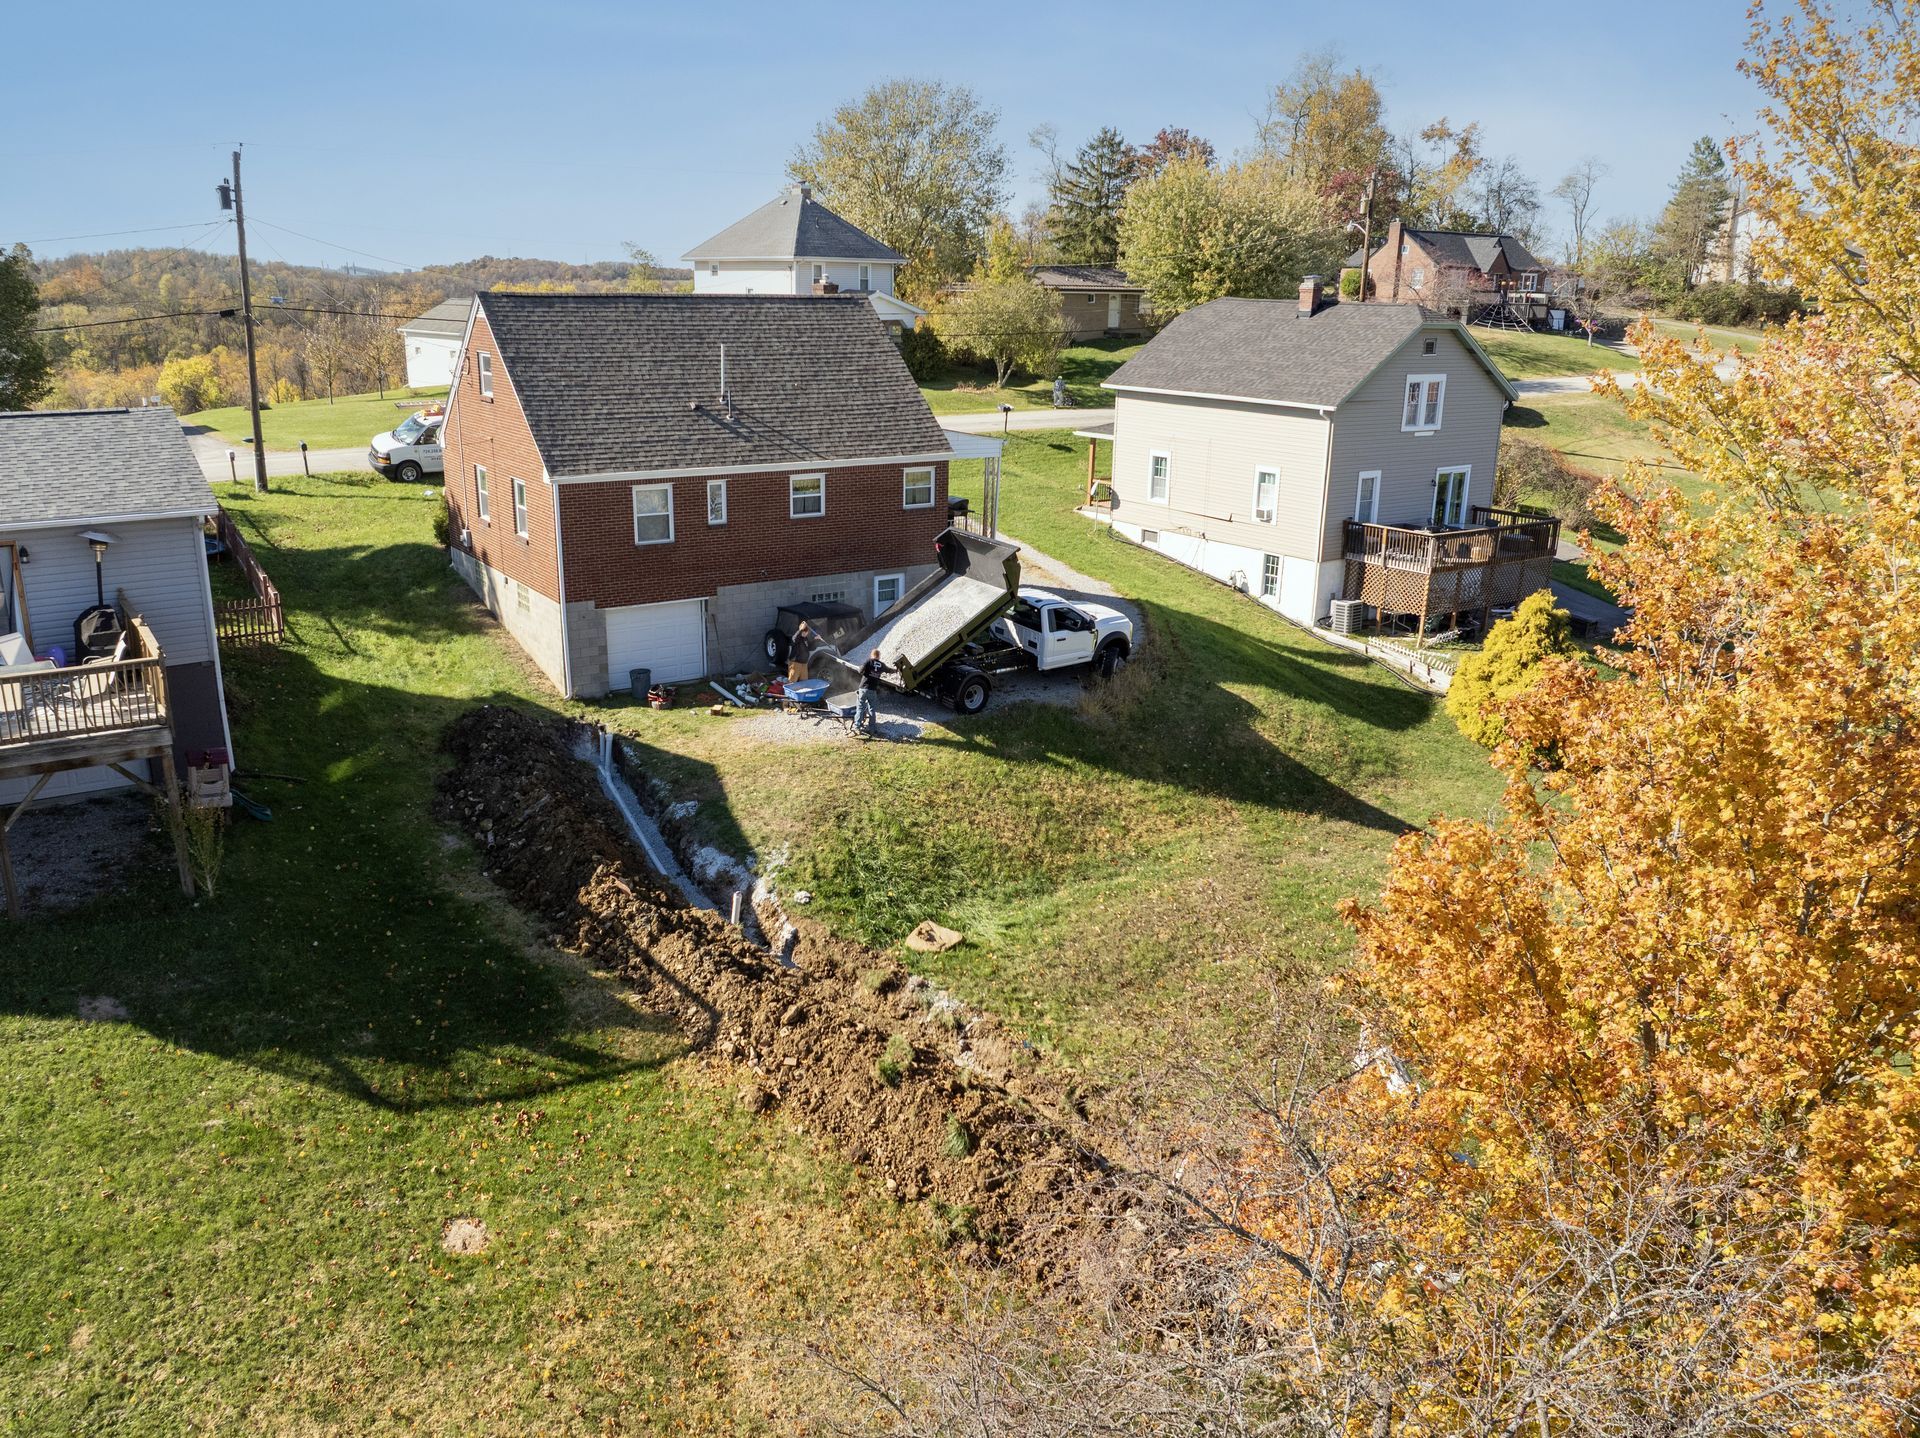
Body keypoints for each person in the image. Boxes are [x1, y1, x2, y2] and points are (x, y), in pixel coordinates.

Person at [855, 648, 896, 736]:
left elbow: (860, 671)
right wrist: (897, 670)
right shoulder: (881, 665)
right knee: (872, 709)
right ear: (879, 656)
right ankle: (872, 729)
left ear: (872, 655)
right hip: (873, 689)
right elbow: (889, 670)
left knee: (860, 707)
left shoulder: (868, 661)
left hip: (863, 688)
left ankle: (857, 727)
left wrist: (863, 670)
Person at [787, 621, 814, 685]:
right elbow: (794, 639)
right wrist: (800, 629)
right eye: (804, 632)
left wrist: (816, 639)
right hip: (795, 663)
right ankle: (790, 694)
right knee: (792, 682)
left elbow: (811, 647)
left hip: (804, 663)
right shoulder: (797, 637)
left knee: (804, 681)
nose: (805, 633)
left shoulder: (805, 639)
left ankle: (803, 693)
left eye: (806, 632)